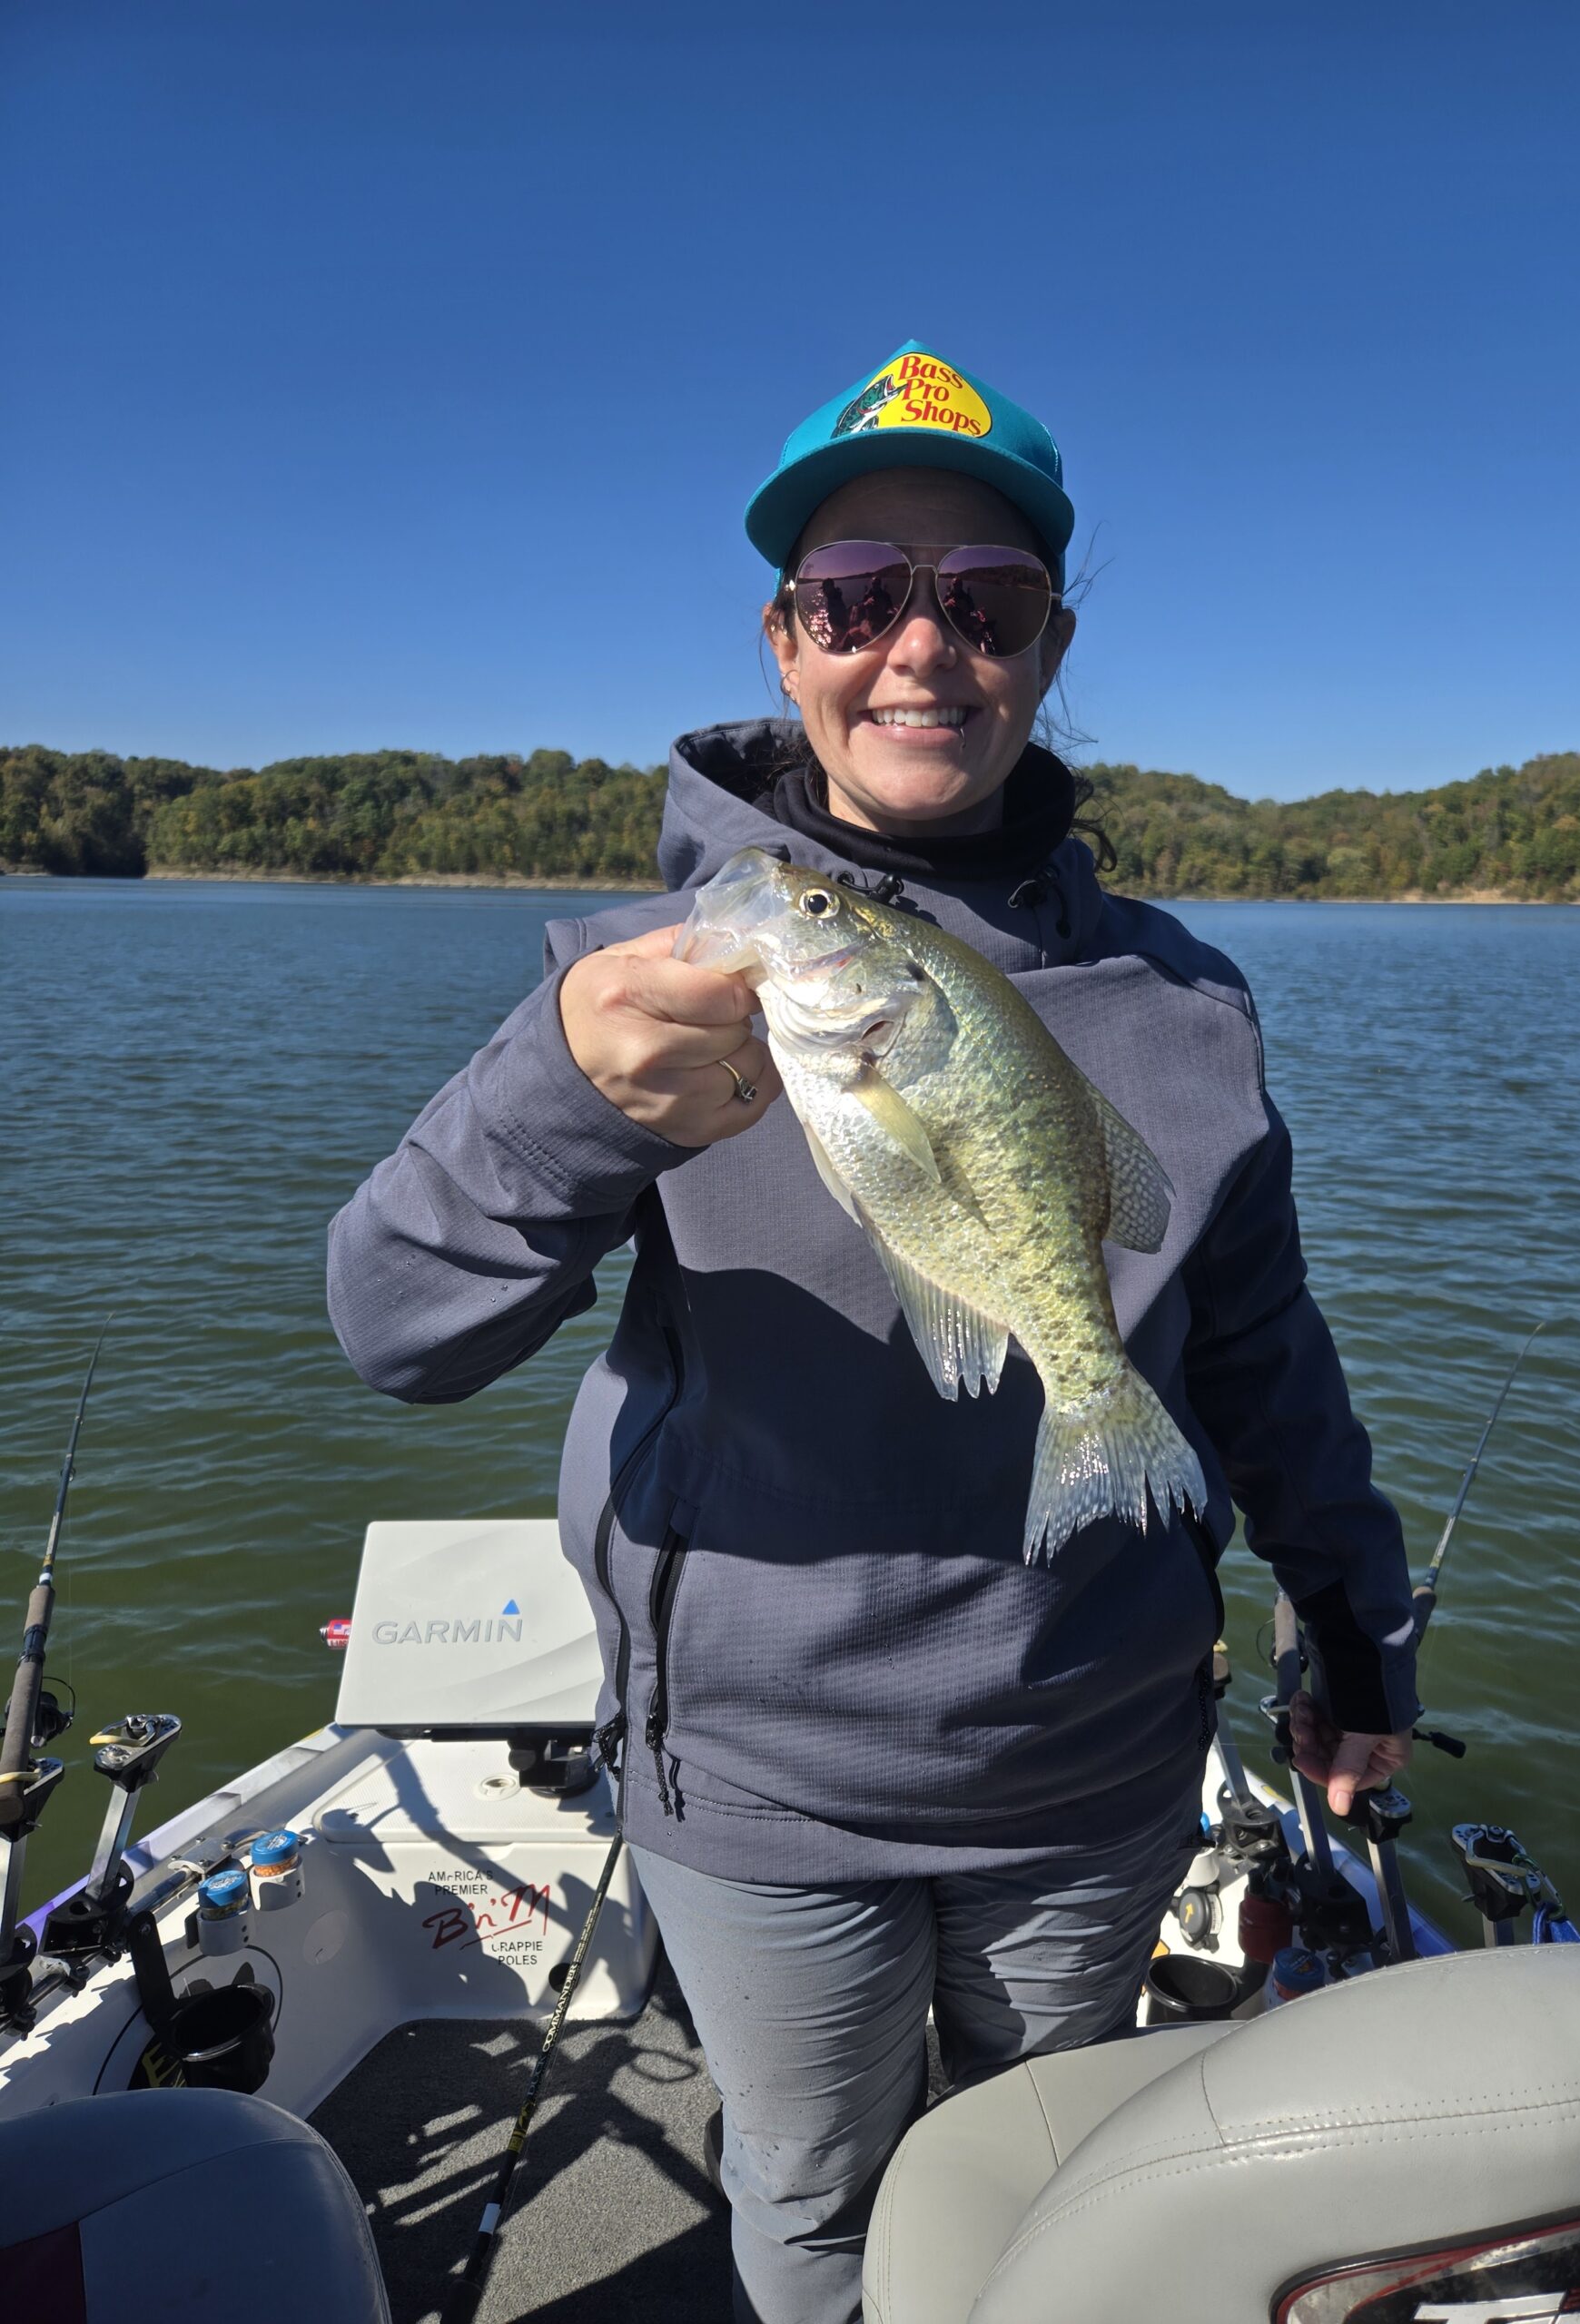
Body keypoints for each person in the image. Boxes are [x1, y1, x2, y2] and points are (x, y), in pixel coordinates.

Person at [327, 340, 1418, 2324]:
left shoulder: (1184, 1007)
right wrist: (567, 1103)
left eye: (982, 602)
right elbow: (396, 1324)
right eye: (859, 595)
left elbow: (1267, 1366)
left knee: (1041, 2185)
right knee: (812, 2194)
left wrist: (1358, 1634)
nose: (922, 646)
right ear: (786, 637)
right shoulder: (634, 980)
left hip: (1086, 1772)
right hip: (757, 1782)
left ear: (1047, 640)